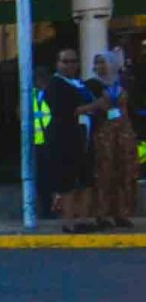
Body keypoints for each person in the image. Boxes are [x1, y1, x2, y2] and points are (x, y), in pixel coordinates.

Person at [42, 47, 100, 232]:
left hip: (84, 137)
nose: (70, 65)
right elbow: (66, 111)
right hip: (64, 138)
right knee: (66, 182)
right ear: (57, 64)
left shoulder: (79, 84)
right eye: (65, 61)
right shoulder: (55, 85)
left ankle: (84, 219)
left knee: (86, 180)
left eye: (73, 61)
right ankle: (68, 222)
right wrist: (94, 105)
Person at [88, 52, 137, 229]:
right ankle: (101, 214)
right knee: (103, 173)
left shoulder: (123, 84)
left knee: (124, 173)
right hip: (103, 134)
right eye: (97, 63)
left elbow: (132, 109)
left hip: (124, 134)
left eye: (103, 63)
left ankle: (121, 213)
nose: (100, 66)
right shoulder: (91, 85)